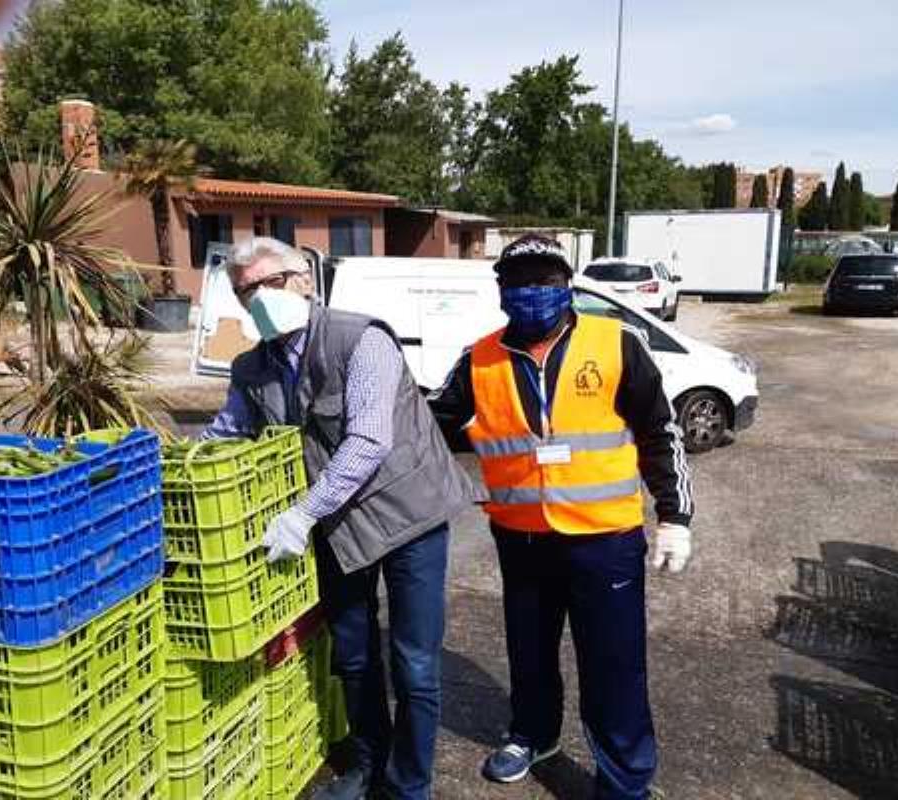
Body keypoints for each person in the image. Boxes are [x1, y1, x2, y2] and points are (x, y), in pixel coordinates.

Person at [203, 237, 476, 800]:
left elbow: (369, 441)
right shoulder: (251, 366)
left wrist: (302, 512)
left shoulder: (361, 338)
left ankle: (409, 785)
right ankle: (368, 765)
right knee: (353, 654)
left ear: (302, 278)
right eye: (243, 291)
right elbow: (226, 433)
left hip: (408, 516)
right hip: (338, 525)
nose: (257, 298)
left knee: (414, 663)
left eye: (267, 284)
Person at [427, 234, 694, 799]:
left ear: (566, 284)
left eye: (545, 280)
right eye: (519, 282)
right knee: (529, 651)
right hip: (521, 540)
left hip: (605, 540)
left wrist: (675, 515)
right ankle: (533, 735)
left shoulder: (617, 342)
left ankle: (624, 781)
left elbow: (659, 431)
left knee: (615, 666)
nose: (532, 293)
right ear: (501, 290)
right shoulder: (479, 360)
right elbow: (429, 427)